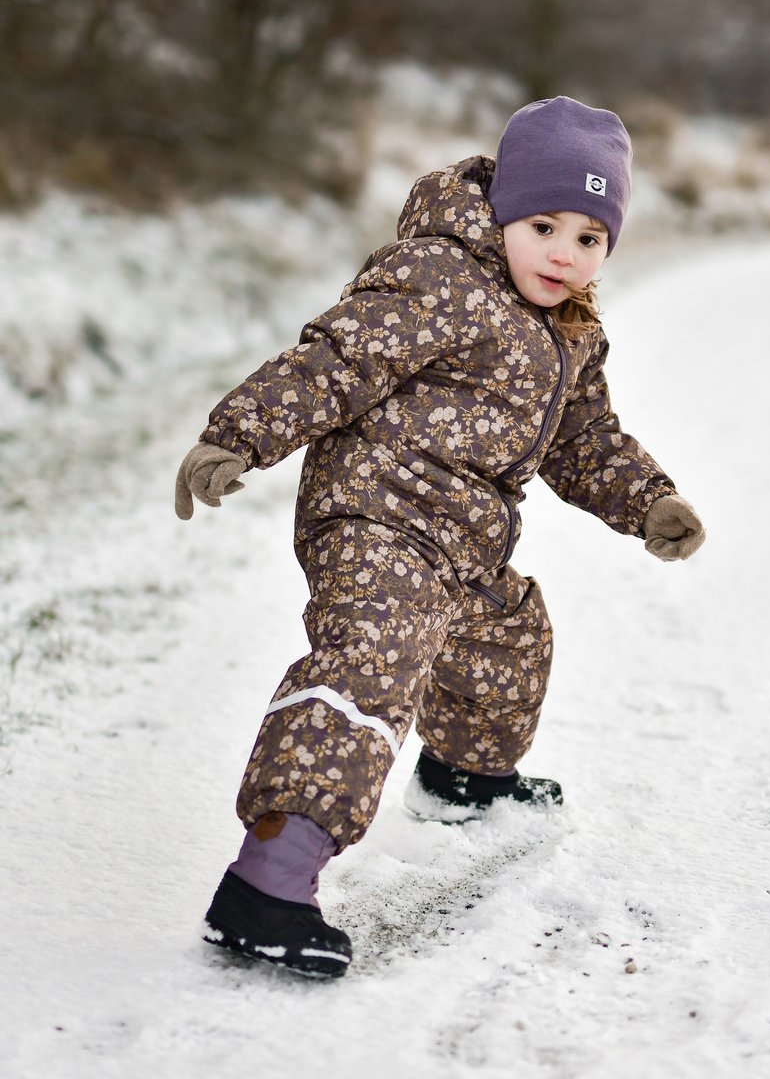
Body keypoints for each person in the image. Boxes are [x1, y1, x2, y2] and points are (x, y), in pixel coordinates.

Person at [175, 96, 705, 978]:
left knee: (509, 640)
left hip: (462, 540)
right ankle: (269, 878)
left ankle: (464, 779)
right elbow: (338, 358)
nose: (564, 254)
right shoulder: (438, 276)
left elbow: (584, 440)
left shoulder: (573, 329)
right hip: (375, 514)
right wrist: (241, 434)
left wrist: (648, 502)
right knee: (373, 659)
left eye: (589, 237)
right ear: (501, 213)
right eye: (543, 226)